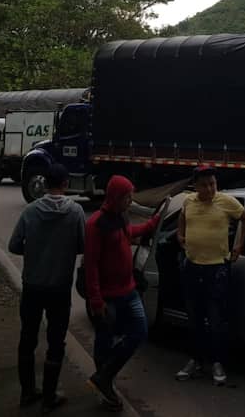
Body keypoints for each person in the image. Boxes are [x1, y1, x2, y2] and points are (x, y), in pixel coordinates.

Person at [8, 163, 85, 411]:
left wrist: (35, 250)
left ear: (44, 183)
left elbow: (14, 245)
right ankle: (50, 396)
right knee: (56, 341)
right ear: (65, 183)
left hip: (32, 285)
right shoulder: (75, 212)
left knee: (27, 338)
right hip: (60, 287)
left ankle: (27, 392)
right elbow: (83, 245)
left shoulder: (30, 211)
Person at [84, 175, 161, 411]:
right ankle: (105, 385)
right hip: (107, 297)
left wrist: (153, 223)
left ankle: (104, 376)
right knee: (104, 340)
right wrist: (96, 300)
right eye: (127, 197)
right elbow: (91, 265)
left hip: (128, 290)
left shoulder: (121, 217)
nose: (130, 200)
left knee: (139, 332)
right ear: (116, 197)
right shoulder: (96, 224)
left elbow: (129, 233)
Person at [175, 165, 245, 385]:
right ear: (195, 186)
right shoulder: (188, 201)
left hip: (216, 269)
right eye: (204, 185)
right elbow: (181, 217)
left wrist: (240, 245)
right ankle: (196, 360)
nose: (209, 189)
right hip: (192, 267)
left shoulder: (226, 202)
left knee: (216, 319)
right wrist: (180, 233)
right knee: (194, 318)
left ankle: (217, 363)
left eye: (212, 184)